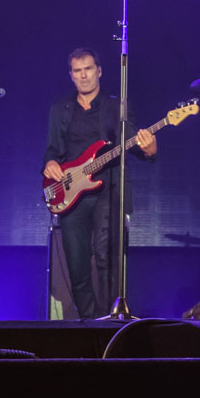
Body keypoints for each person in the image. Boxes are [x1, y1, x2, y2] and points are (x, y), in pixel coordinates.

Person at [41, 48, 157, 319]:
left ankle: (110, 321)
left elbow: (133, 143)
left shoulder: (117, 107)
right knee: (77, 264)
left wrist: (149, 149)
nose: (83, 76)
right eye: (77, 71)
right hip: (70, 193)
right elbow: (51, 150)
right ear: (71, 75)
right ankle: (90, 323)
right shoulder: (59, 109)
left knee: (107, 259)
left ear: (99, 71)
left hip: (107, 190)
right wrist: (50, 163)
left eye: (88, 69)